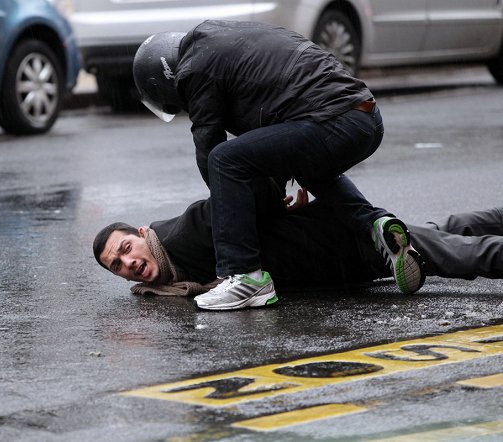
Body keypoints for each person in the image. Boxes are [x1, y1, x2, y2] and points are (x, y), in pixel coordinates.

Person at [131, 20, 424, 310]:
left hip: (333, 120)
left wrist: (245, 208)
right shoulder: (223, 38)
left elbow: (209, 145)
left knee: (223, 159)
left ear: (164, 80)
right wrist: (273, 190)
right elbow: (273, 128)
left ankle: (245, 277)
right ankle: (376, 225)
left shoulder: (193, 68)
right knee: (303, 165)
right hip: (366, 119)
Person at [93, 182, 503, 310]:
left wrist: (278, 196)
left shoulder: (187, 232)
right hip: (338, 252)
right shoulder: (171, 271)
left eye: (126, 247)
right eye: (118, 265)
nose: (128, 263)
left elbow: (236, 193)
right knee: (447, 230)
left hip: (346, 243)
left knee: (460, 256)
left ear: (143, 233)